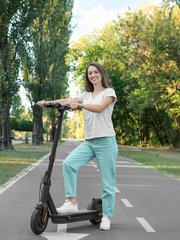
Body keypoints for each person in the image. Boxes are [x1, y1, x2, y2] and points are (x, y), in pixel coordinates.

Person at [37, 62, 118, 231]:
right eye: (90, 73)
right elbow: (68, 101)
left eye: (96, 72)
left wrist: (80, 105)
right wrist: (48, 103)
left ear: (101, 74)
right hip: (89, 142)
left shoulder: (109, 93)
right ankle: (71, 202)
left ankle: (107, 216)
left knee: (108, 182)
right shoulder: (86, 95)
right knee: (69, 164)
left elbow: (99, 108)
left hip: (106, 142)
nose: (93, 75)